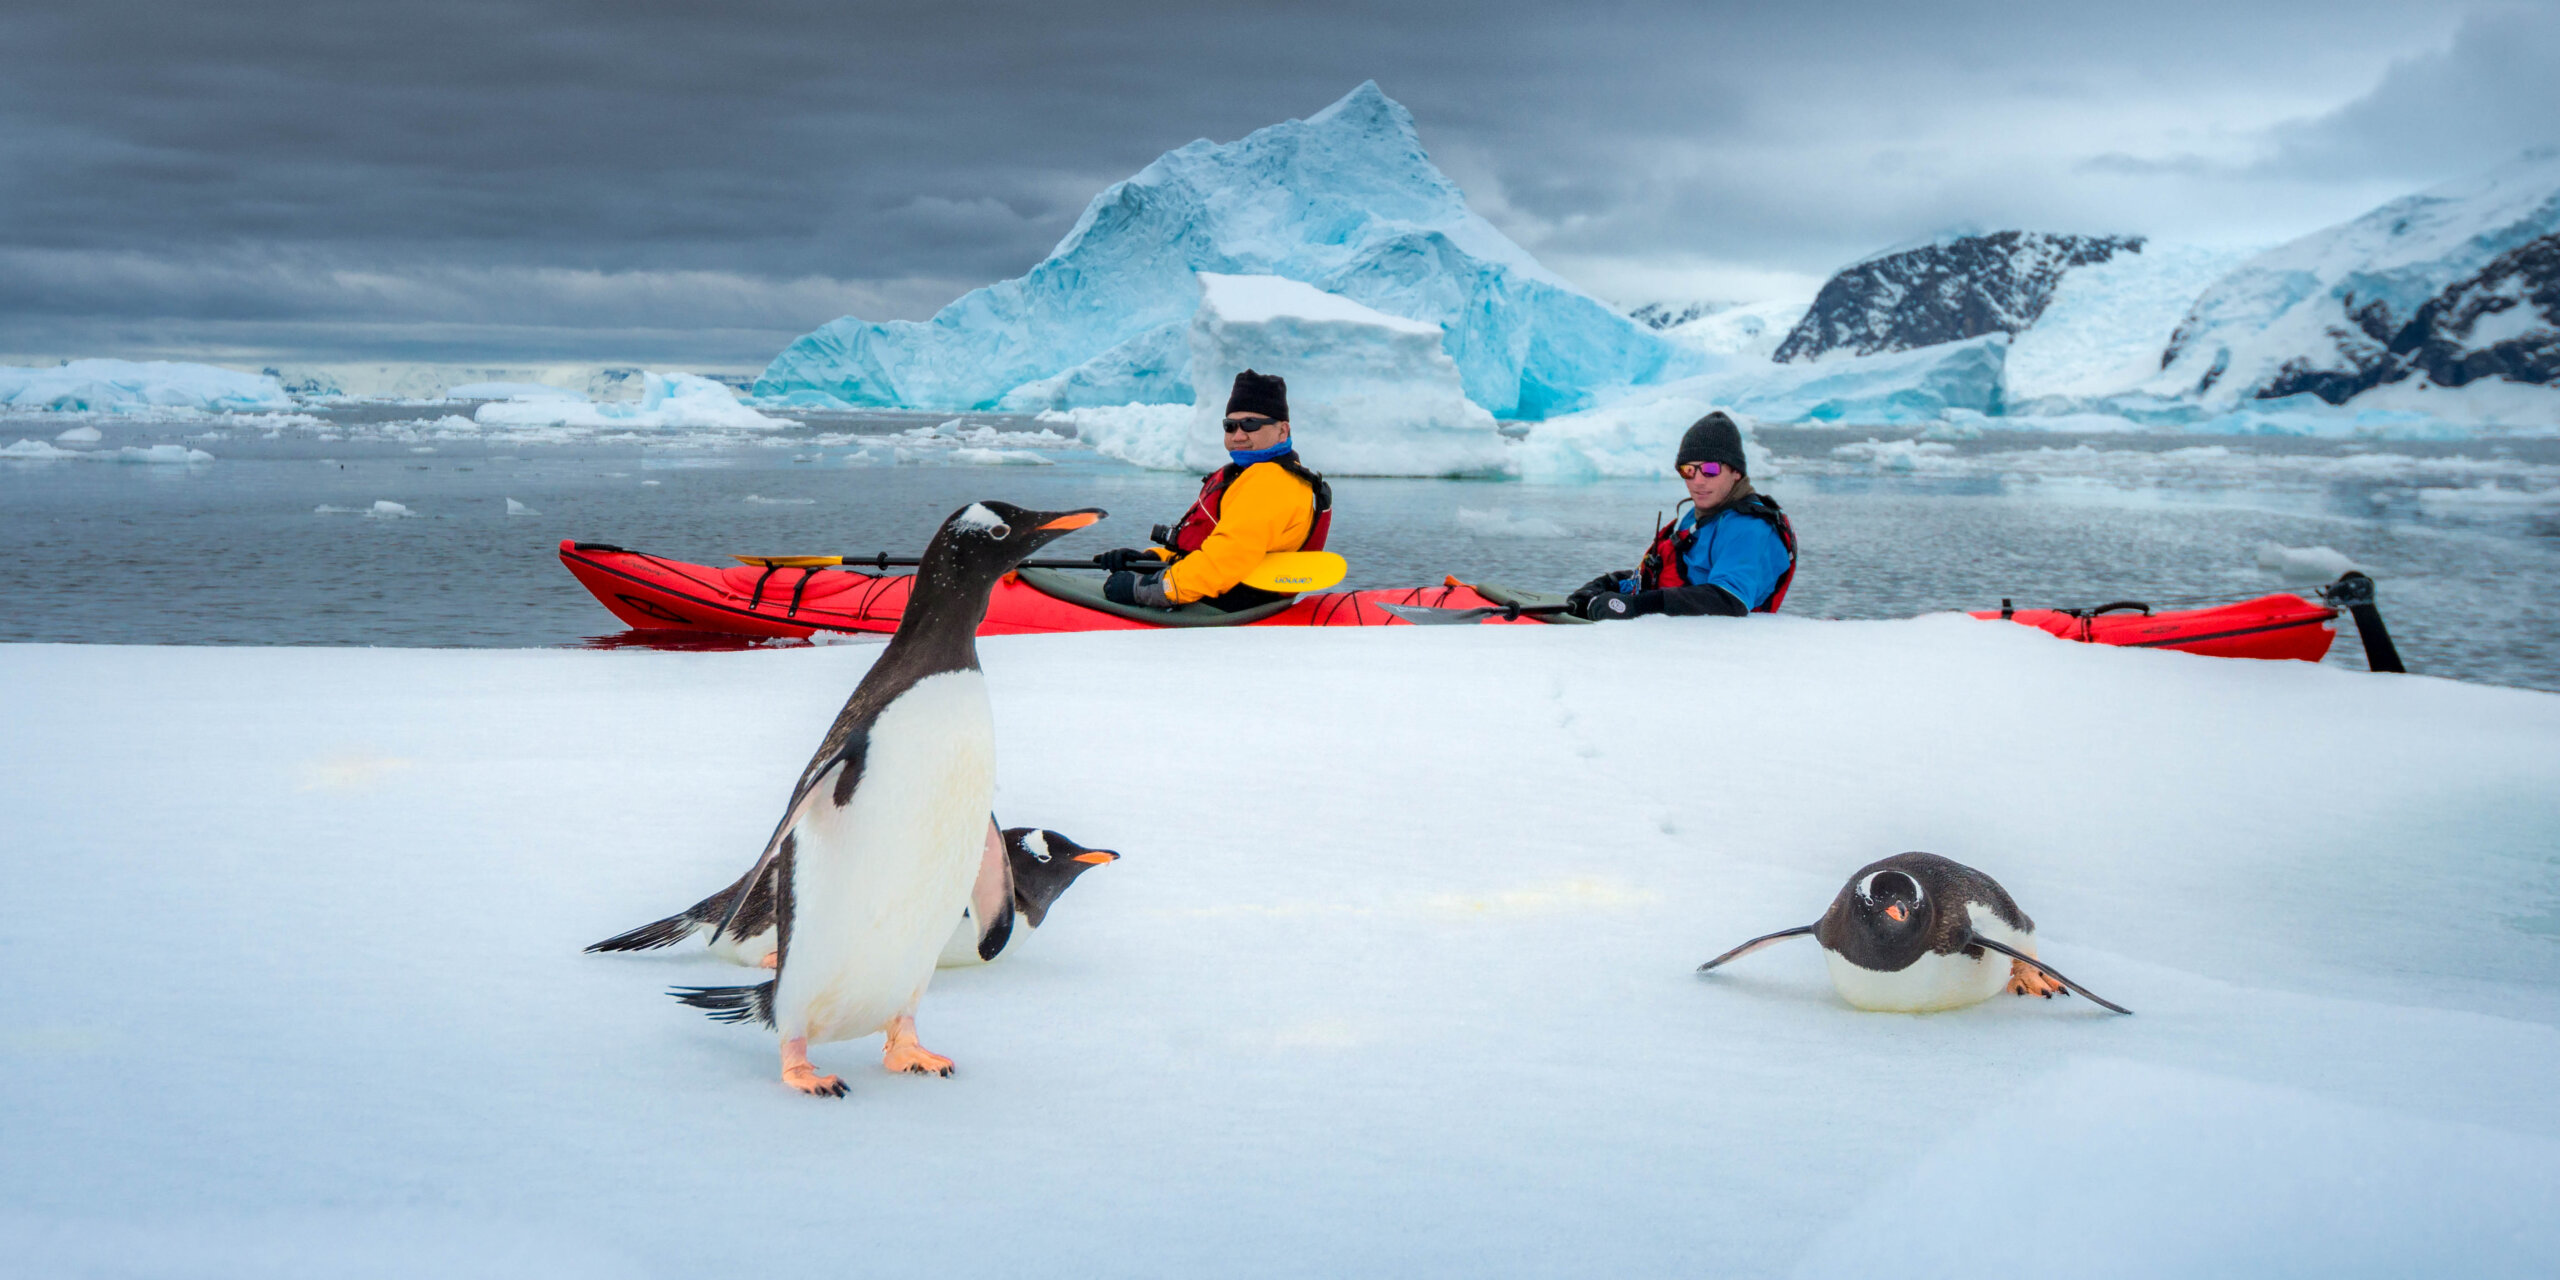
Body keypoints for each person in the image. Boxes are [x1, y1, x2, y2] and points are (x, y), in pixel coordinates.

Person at [1093, 369, 1332, 611]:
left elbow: (1223, 563)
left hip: (1228, 608)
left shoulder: (1272, 482)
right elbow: (1207, 550)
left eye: (1251, 424)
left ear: (1282, 431)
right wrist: (1151, 560)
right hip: (1218, 592)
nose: (1238, 435)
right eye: (1230, 426)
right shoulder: (1252, 474)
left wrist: (1146, 589)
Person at [1567, 411, 1795, 620]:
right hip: (1677, 635)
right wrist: (1608, 586)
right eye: (1688, 470)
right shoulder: (1697, 517)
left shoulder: (1750, 528)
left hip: (1722, 649)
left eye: (1711, 469)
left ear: (1735, 472)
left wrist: (1637, 606)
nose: (1698, 481)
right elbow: (1663, 578)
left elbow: (1728, 601)